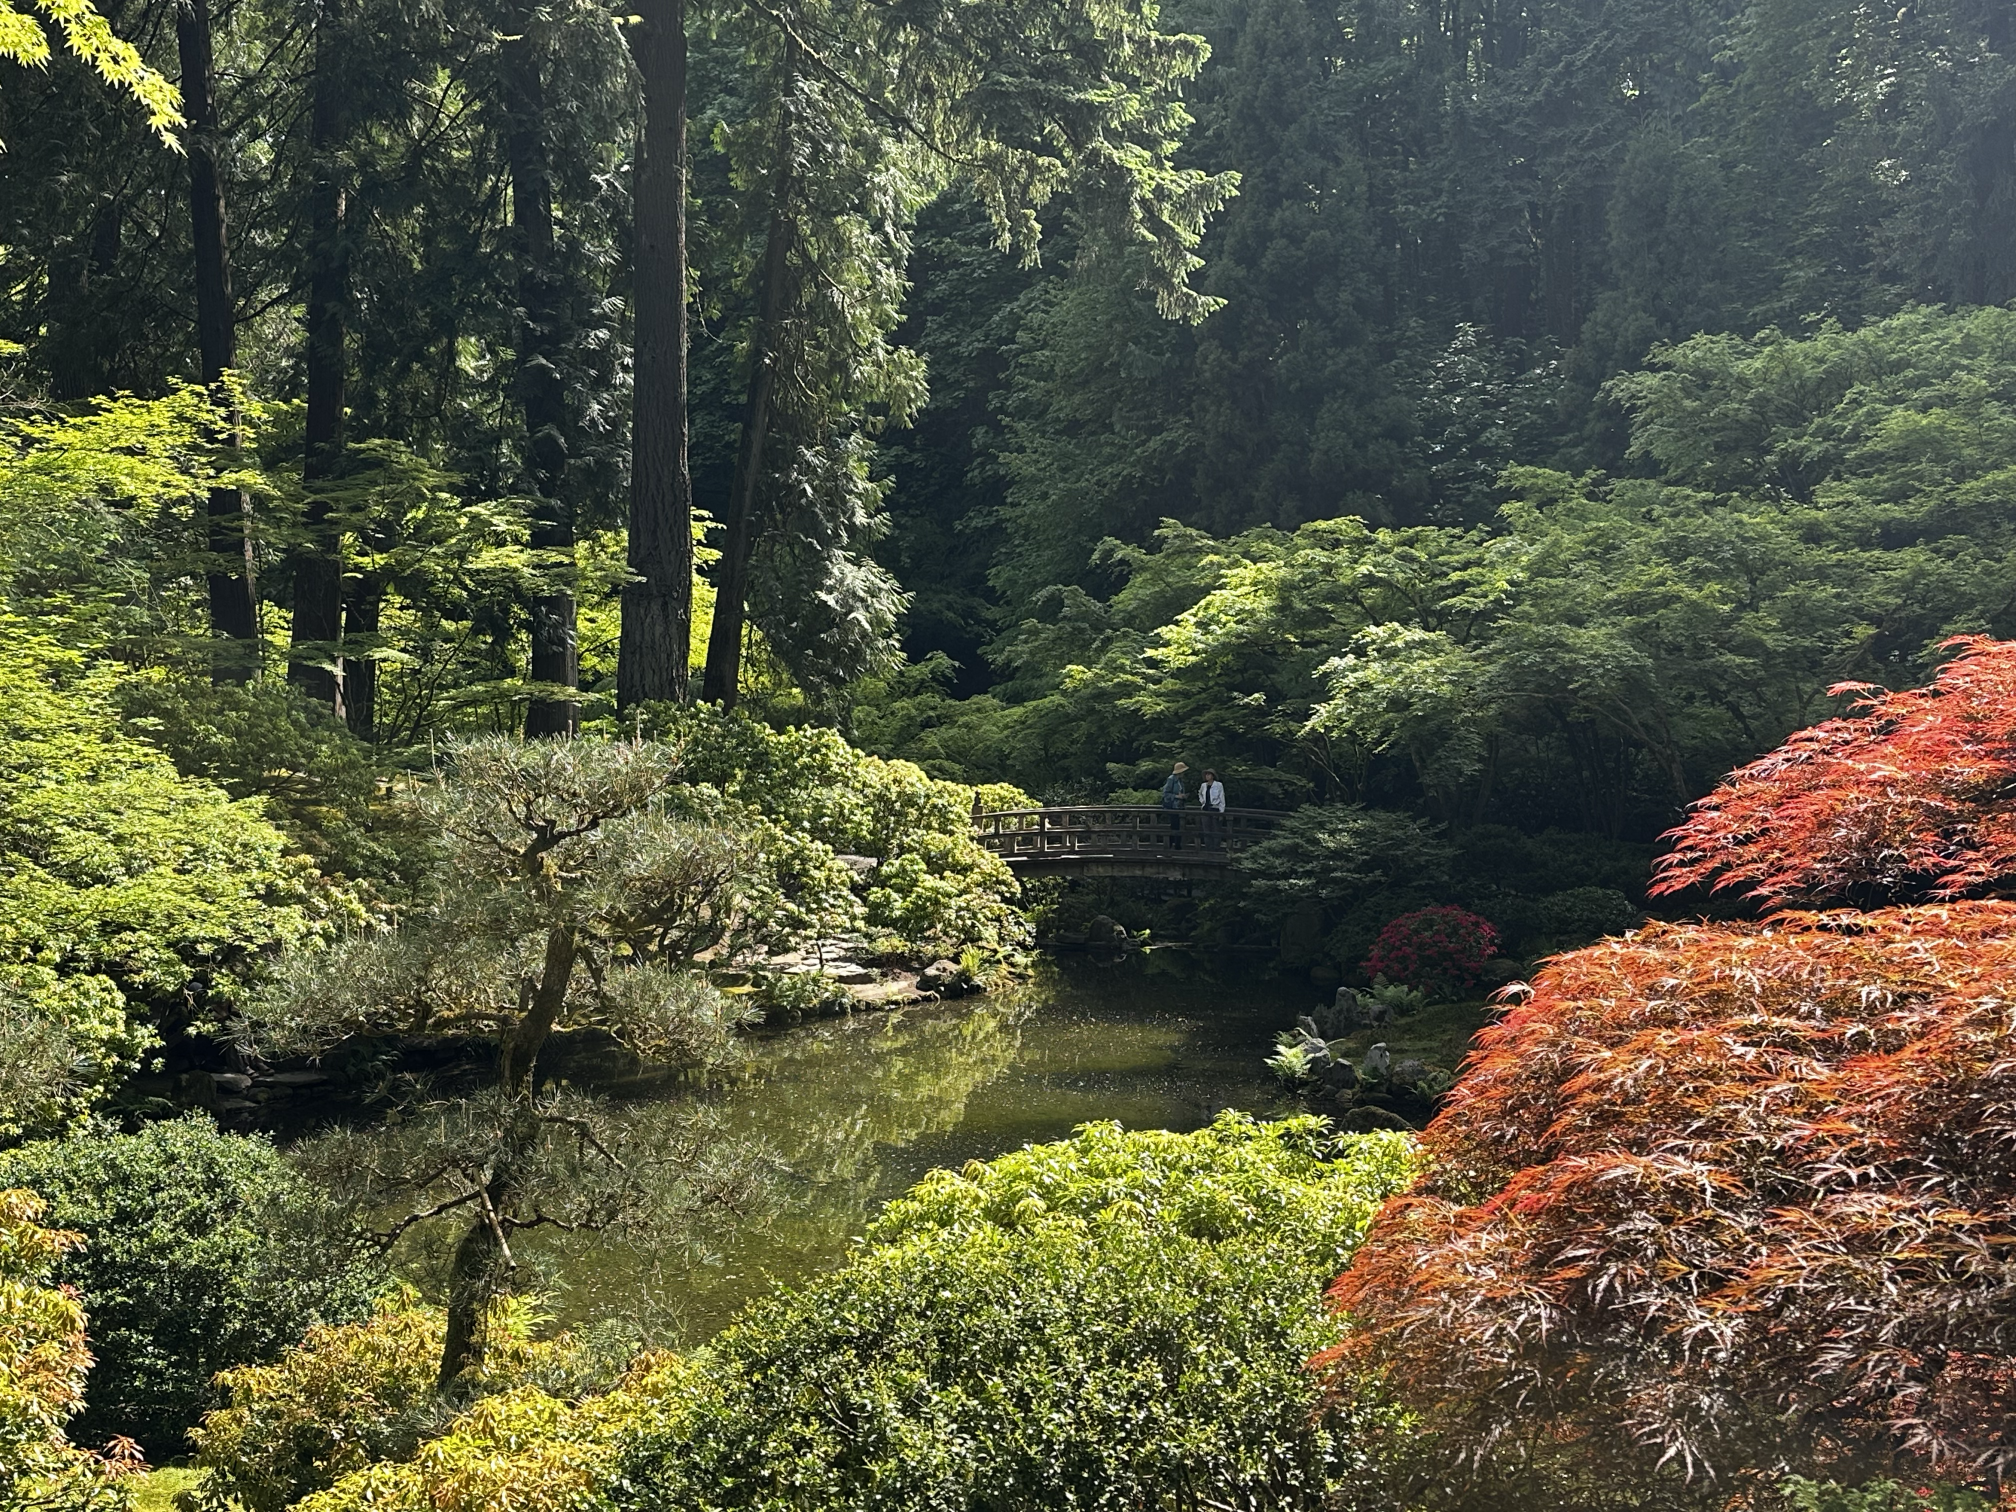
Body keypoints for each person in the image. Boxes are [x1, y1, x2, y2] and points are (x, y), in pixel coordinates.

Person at [1159, 761, 1188, 849]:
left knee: (1179, 826)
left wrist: (1183, 796)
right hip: (1172, 806)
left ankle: (1177, 845)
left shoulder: (1180, 781)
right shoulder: (1171, 779)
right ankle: (1172, 845)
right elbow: (1165, 793)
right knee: (1174, 825)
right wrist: (1176, 796)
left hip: (1179, 806)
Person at [1197, 769, 1226, 849]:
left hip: (1215, 808)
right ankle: (1208, 847)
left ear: (1213, 776)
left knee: (1216, 829)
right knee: (1206, 829)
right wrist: (1202, 801)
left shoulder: (1219, 785)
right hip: (1205, 808)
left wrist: (1221, 811)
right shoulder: (1203, 785)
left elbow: (1222, 798)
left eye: (1209, 775)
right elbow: (1200, 794)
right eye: (1206, 775)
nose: (1207, 776)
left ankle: (1216, 847)